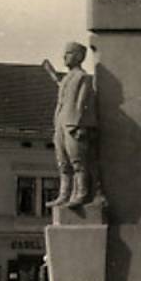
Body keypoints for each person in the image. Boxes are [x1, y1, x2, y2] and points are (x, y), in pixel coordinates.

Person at [47, 42, 98, 209]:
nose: (64, 57)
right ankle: (64, 195)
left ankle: (81, 193)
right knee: (63, 163)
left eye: (68, 53)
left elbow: (84, 103)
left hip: (73, 124)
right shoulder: (66, 79)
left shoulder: (82, 77)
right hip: (61, 123)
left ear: (79, 56)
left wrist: (81, 125)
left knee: (78, 161)